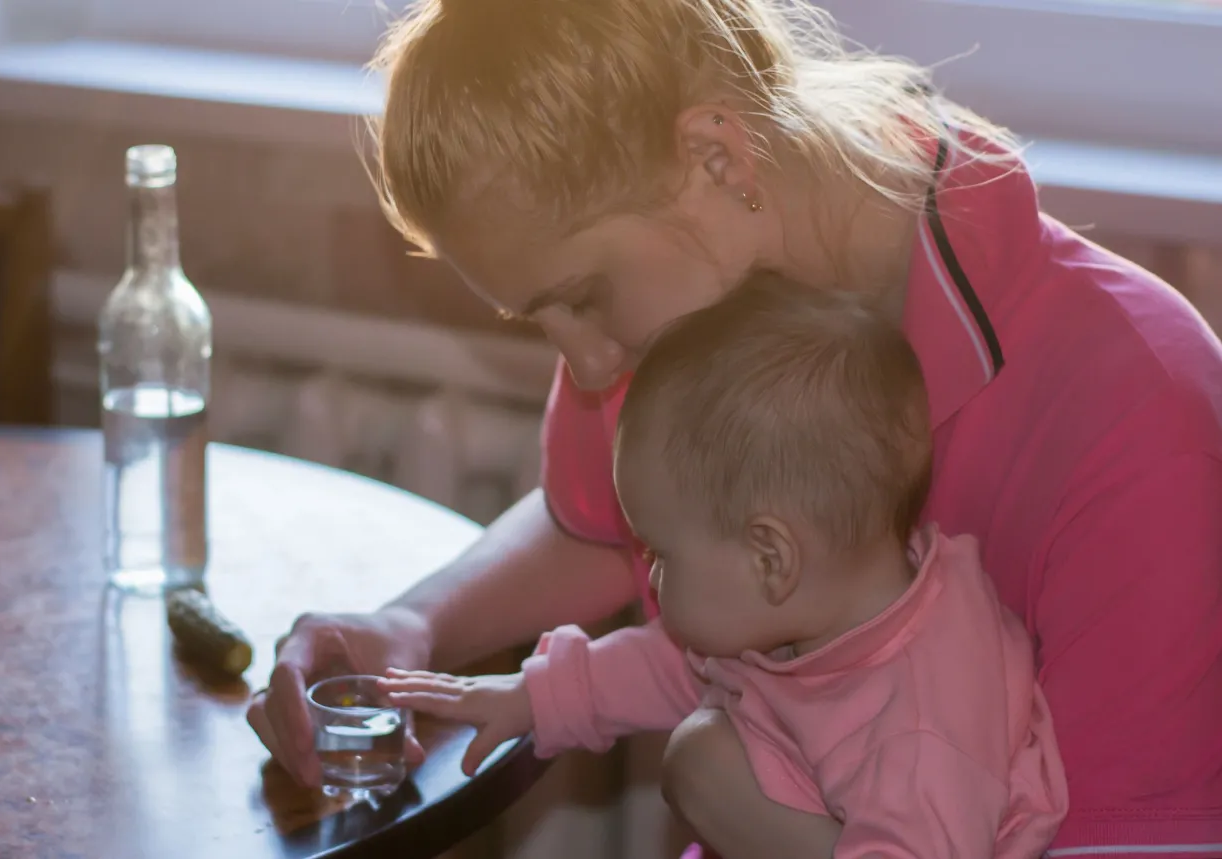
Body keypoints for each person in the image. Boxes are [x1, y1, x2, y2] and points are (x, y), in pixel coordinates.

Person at [247, 0, 1222, 852]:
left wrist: (733, 800)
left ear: (716, 155)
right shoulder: (705, 311)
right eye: (538, 320)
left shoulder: (1140, 409)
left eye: (582, 297)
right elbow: (596, 527)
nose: (584, 367)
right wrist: (413, 623)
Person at [379, 277, 1070, 857]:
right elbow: (678, 663)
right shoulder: (830, 603)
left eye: (660, 553)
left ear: (770, 557)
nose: (648, 577)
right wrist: (530, 699)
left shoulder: (922, 728)